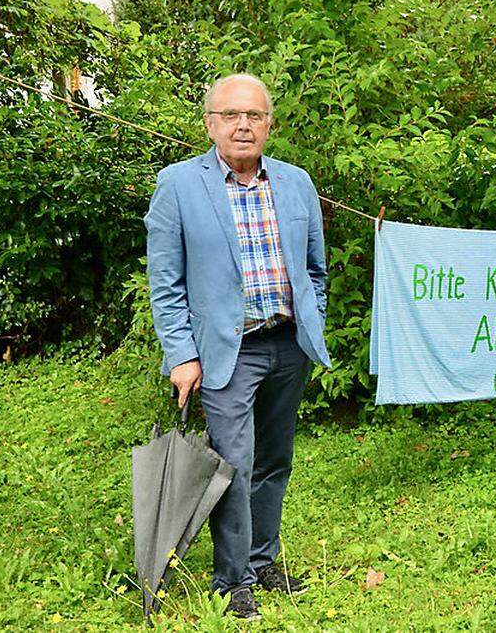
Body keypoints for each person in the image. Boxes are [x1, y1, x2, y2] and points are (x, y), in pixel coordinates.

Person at [145, 73, 332, 619]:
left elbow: (315, 269)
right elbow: (165, 280)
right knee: (233, 464)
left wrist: (309, 316)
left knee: (275, 459)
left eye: (254, 115)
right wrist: (181, 353)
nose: (243, 125)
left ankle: (263, 557)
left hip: (287, 345)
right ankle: (232, 582)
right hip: (228, 351)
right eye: (231, 115)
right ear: (210, 123)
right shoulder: (178, 185)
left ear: (270, 123)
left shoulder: (296, 183)